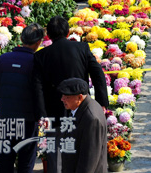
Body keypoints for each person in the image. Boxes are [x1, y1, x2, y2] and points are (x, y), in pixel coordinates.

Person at [33, 16, 108, 173]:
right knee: (81, 150)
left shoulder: (41, 55)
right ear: (68, 32)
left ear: (49, 35)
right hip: (79, 109)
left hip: (53, 112)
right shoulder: (82, 48)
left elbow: (37, 87)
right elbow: (98, 74)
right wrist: (101, 103)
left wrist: (43, 114)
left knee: (55, 154)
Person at [0, 24, 45, 173]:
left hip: (6, 118)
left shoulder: (3, 59)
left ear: (21, 38)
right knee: (26, 161)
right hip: (28, 120)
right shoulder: (37, 62)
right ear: (39, 42)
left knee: (5, 160)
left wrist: (3, 102)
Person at [58, 78, 107, 173]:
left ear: (80, 97)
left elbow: (89, 158)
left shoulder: (91, 118)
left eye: (66, 96)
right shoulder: (81, 108)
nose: (62, 99)